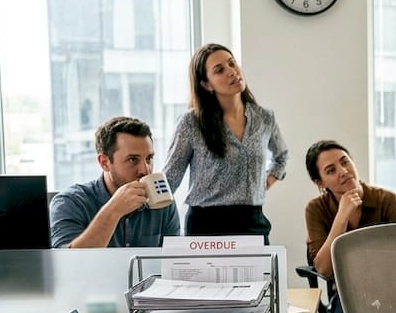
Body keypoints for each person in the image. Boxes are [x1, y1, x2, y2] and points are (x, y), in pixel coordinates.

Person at [164, 43, 288, 242]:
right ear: (206, 84)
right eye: (219, 70)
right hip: (206, 225)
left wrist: (265, 181)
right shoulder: (191, 122)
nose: (232, 71)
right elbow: (171, 176)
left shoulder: (264, 118)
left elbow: (281, 156)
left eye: (232, 63)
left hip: (253, 222)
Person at [303, 139, 396, 313]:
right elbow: (324, 269)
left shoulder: (387, 200)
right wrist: (342, 216)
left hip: (390, 291)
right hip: (346, 295)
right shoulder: (315, 209)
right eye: (331, 170)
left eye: (345, 162)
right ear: (320, 182)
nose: (343, 171)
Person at [50, 116, 181, 248]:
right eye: (133, 160)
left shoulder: (163, 204)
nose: (145, 170)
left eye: (149, 159)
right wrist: (113, 211)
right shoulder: (70, 203)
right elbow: (67, 259)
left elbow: (173, 258)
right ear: (104, 162)